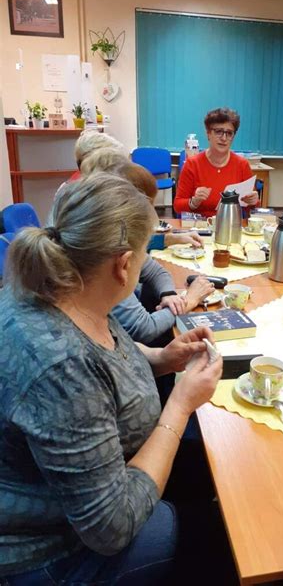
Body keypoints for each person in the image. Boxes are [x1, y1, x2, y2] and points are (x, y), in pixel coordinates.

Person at [0, 173, 225, 583]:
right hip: (51, 551)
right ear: (124, 265)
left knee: (211, 471)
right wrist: (179, 404)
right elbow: (112, 527)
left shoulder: (64, 290)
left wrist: (162, 358)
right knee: (222, 538)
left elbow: (105, 346)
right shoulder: (61, 366)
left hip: (89, 486)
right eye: (143, 255)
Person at [79, 158, 214, 344]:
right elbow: (143, 328)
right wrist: (189, 301)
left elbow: (156, 271)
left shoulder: (116, 238)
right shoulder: (108, 257)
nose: (152, 214)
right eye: (148, 205)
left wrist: (169, 295)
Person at [173, 107, 259, 217]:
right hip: (200, 228)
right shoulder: (192, 164)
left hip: (231, 226)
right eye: (218, 131)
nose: (224, 138)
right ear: (208, 133)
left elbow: (254, 207)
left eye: (229, 133)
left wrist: (253, 201)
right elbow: (177, 205)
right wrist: (193, 202)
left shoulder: (242, 165)